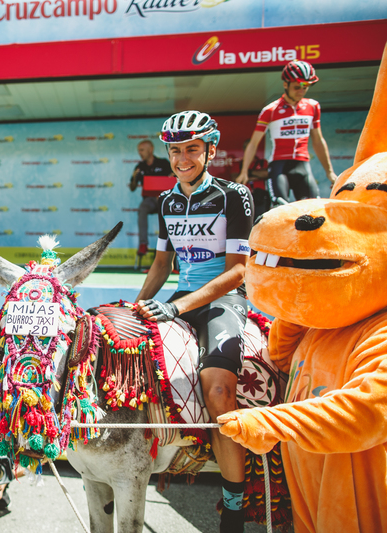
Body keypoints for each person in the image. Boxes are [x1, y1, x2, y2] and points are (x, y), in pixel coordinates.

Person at [135, 111, 254, 533]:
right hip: (179, 298)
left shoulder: (233, 195)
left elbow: (238, 271)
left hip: (224, 299)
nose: (182, 158)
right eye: (175, 150)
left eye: (191, 149)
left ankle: (234, 506)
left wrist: (178, 309)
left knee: (219, 390)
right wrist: (137, 307)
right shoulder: (167, 201)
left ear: (210, 150)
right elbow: (162, 264)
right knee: (129, 362)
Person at [238, 60, 337, 207]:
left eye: (306, 86)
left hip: (302, 164)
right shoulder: (270, 110)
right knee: (280, 207)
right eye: (297, 87)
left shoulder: (313, 106)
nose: (301, 91)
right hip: (279, 166)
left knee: (312, 207)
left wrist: (330, 172)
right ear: (285, 84)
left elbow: (318, 140)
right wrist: (244, 171)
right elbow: (253, 143)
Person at [128, 139, 173, 259]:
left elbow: (175, 178)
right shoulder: (139, 167)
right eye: (138, 150)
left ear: (150, 150)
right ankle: (143, 244)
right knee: (142, 208)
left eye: (142, 150)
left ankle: (171, 243)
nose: (140, 153)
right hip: (149, 200)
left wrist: (171, 177)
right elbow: (132, 188)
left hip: (165, 198)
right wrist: (133, 178)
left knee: (171, 211)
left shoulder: (163, 163)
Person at [234, 139, 269, 220]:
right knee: (244, 221)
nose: (247, 149)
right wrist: (257, 175)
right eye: (245, 147)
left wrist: (246, 173)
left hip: (259, 196)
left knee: (261, 220)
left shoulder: (262, 162)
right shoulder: (238, 163)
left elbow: (266, 174)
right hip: (243, 197)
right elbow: (236, 178)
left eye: (249, 147)